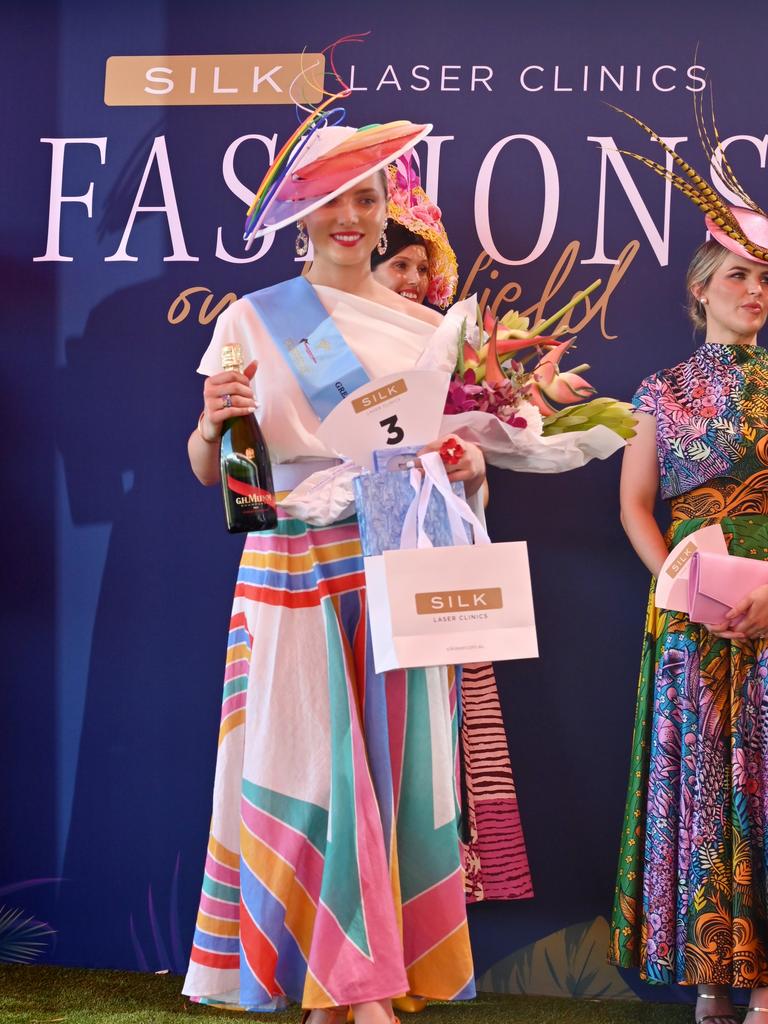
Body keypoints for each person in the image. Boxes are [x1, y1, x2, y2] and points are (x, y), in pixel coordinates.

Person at [182, 113, 485, 1024]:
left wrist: (466, 462)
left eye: (368, 196)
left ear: (389, 210)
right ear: (300, 214)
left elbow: (452, 456)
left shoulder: (431, 331)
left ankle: (370, 986)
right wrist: (208, 425)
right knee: (307, 765)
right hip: (289, 569)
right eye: (331, 199)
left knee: (394, 766)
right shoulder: (251, 319)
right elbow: (216, 470)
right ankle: (325, 983)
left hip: (391, 564)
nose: (351, 215)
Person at [608, 113, 768, 1023]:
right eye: (739, 276)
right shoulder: (661, 391)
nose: (756, 290)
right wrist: (679, 583)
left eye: (766, 278)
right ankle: (713, 976)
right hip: (688, 613)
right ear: (702, 289)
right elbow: (634, 505)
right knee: (704, 781)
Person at [372, 156, 534, 912]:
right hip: (353, 566)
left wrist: (467, 464)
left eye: (419, 268)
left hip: (435, 574)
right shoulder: (327, 350)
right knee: (369, 743)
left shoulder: (447, 355)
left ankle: (422, 925)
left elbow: (476, 487)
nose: (410, 282)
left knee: (435, 749)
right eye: (397, 264)